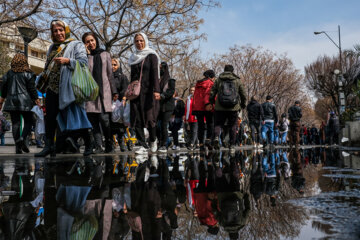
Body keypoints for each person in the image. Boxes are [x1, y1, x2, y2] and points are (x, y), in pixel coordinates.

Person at [35, 20, 93, 157]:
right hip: (52, 88)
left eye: (61, 30)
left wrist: (68, 61)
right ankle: (48, 146)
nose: (58, 33)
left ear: (66, 30)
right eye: (55, 31)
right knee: (49, 118)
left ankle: (89, 145)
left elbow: (84, 64)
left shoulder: (76, 44)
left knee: (77, 116)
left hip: (69, 87)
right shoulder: (52, 47)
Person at [82, 32, 117, 153]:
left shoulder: (105, 54)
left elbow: (110, 74)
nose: (90, 43)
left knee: (105, 120)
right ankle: (98, 146)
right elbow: (83, 73)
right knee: (93, 121)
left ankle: (109, 143)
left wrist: (114, 91)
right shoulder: (85, 57)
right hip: (90, 93)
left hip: (104, 92)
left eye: (92, 40)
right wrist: (86, 55)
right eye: (87, 42)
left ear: (96, 40)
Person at [128, 32, 161, 154]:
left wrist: (157, 90)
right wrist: (129, 93)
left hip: (149, 92)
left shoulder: (151, 55)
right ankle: (142, 145)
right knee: (136, 118)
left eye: (141, 40)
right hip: (136, 93)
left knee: (150, 118)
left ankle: (153, 140)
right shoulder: (133, 57)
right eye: (136, 41)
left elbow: (155, 74)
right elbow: (132, 77)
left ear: (145, 41)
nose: (139, 43)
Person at [0, 53, 39, 153]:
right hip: (26, 101)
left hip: (11, 101)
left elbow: (4, 87)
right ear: (25, 62)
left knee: (16, 123)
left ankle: (18, 148)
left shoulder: (8, 73)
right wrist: (36, 99)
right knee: (29, 121)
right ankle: (22, 138)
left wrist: (2, 99)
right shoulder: (29, 73)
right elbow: (32, 89)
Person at [210, 65, 246, 151]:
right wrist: (242, 105)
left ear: (224, 70)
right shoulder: (237, 80)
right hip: (233, 107)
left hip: (219, 107)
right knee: (233, 126)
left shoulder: (219, 79)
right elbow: (243, 94)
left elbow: (212, 92)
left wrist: (212, 102)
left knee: (218, 124)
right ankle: (232, 145)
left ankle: (216, 137)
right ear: (232, 71)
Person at [192, 70, 216, 151]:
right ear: (212, 77)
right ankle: (208, 140)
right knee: (210, 123)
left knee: (200, 126)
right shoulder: (210, 83)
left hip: (198, 107)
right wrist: (210, 104)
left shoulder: (198, 83)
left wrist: (194, 107)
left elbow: (195, 96)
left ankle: (201, 144)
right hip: (207, 106)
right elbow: (208, 94)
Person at [157, 61, 175, 152]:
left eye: (161, 68)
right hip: (158, 107)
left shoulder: (170, 81)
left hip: (167, 107)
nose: (159, 70)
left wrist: (162, 95)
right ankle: (160, 142)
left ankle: (164, 144)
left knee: (164, 125)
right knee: (157, 126)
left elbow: (171, 92)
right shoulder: (157, 80)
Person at [184, 85, 198, 150]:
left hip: (196, 117)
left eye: (193, 90)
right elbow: (186, 109)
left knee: (194, 131)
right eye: (191, 90)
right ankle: (197, 143)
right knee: (191, 131)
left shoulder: (198, 98)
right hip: (189, 117)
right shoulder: (188, 98)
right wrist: (186, 118)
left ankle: (191, 144)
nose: (192, 91)